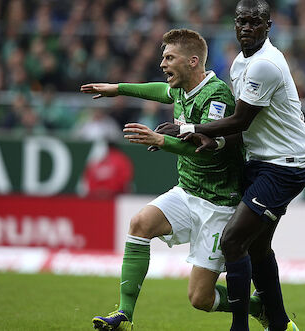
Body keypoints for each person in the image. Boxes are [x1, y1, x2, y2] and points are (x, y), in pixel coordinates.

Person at [80, 29, 264, 331]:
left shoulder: (216, 96)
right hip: (187, 191)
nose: (162, 64)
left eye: (169, 57)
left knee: (200, 298)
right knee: (140, 223)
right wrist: (119, 89)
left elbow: (207, 151)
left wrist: (161, 141)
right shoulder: (179, 87)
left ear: (193, 61)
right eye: (162, 57)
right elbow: (158, 91)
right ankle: (125, 315)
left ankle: (258, 306)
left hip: (219, 204)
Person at [159, 0, 305, 331]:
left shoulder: (265, 64)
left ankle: (239, 326)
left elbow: (241, 120)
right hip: (260, 160)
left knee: (233, 241)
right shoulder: (240, 64)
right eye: (241, 22)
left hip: (286, 165)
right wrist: (213, 139)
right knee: (257, 247)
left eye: (254, 22)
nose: (246, 28)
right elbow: (235, 124)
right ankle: (278, 323)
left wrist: (188, 128)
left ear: (268, 25)